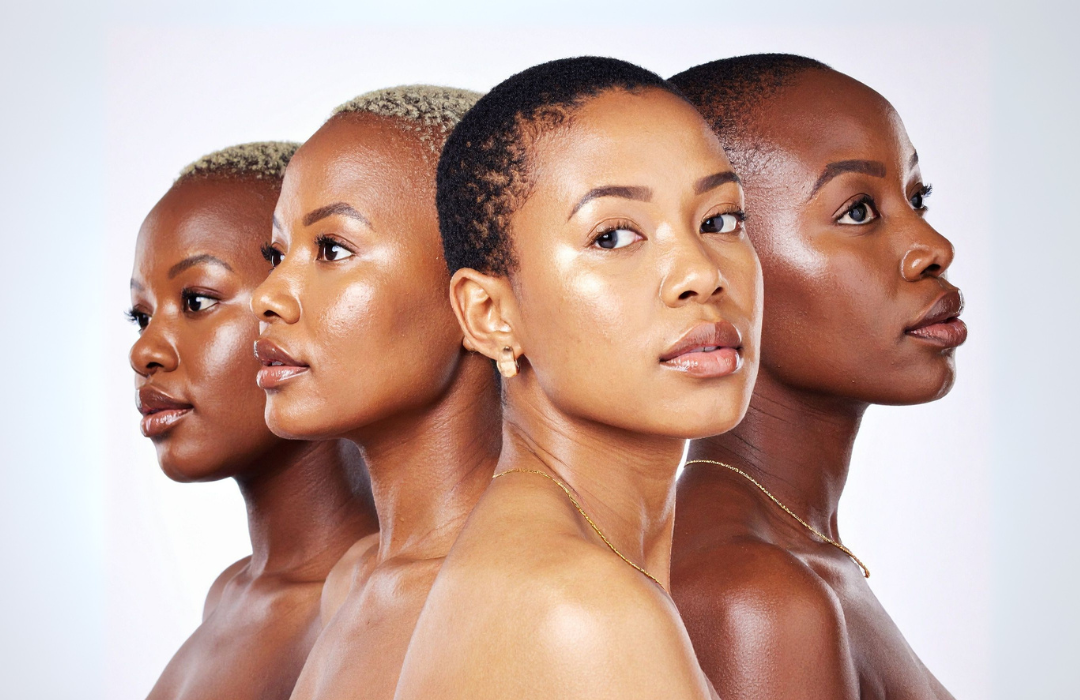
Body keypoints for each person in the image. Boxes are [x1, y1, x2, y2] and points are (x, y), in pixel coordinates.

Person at [393, 57, 762, 700]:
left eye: (719, 221)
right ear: (491, 315)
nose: (701, 274)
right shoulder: (584, 608)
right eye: (614, 236)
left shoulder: (546, 564)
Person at [668, 54, 965, 699]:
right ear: (721, 266)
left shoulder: (796, 553)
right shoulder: (750, 593)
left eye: (918, 198)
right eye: (859, 211)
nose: (933, 248)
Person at [249, 87, 500, 700]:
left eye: (331, 249)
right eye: (277, 254)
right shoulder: (352, 581)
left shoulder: (539, 601)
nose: (268, 295)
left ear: (479, 303)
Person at [128, 142, 379, 700]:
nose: (144, 351)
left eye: (196, 301)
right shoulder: (229, 595)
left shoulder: (369, 609)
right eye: (140, 316)